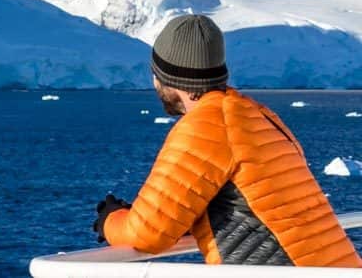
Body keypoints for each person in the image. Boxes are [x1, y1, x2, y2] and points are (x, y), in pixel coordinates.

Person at [93, 14, 362, 267]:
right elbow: (256, 201)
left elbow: (147, 234)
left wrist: (110, 219)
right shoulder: (260, 116)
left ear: (164, 78)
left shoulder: (207, 127)